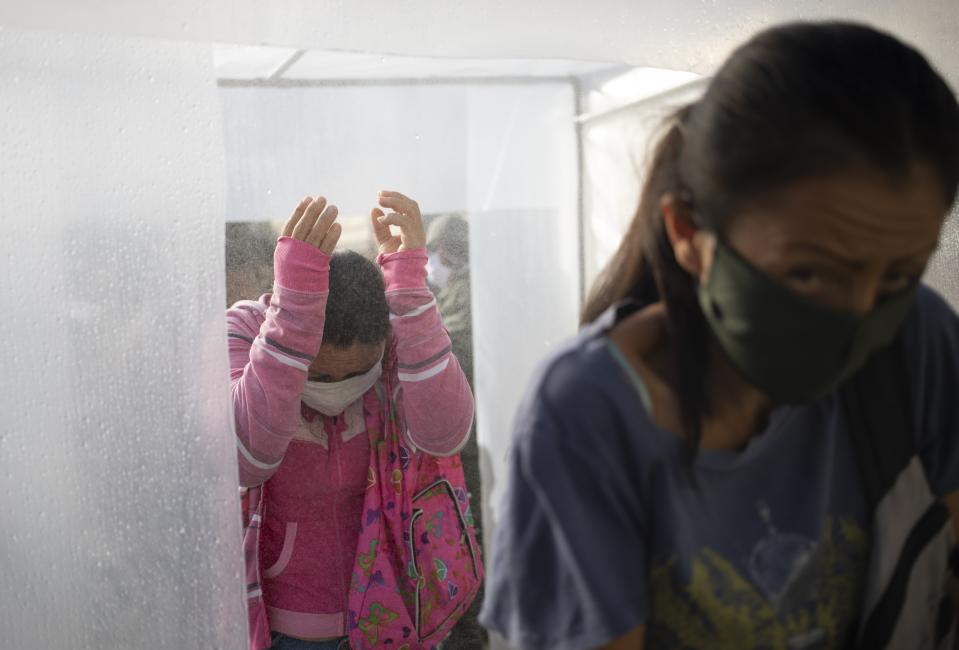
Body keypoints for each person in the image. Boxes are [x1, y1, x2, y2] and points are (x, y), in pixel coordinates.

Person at [481, 22, 959, 650]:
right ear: (687, 232)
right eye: (809, 273)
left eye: (899, 273)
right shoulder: (589, 417)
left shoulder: (916, 339)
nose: (859, 315)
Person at [228, 191, 477, 649]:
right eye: (319, 375)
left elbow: (445, 434)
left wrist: (409, 296)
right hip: (286, 632)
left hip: (396, 616)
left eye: (356, 374)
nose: (337, 391)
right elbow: (246, 457)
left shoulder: (394, 337)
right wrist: (296, 316)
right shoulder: (247, 331)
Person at [425, 214, 486, 649]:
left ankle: (467, 632)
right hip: (472, 442)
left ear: (443, 254)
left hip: (464, 446)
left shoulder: (461, 302)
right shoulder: (466, 293)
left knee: (465, 539)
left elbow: (451, 358)